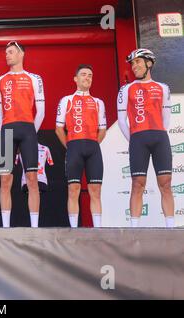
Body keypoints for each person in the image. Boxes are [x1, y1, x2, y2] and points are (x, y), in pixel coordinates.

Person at [117, 48, 174, 228]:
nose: (134, 66)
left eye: (138, 62)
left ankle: (170, 228)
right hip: (138, 139)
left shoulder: (163, 88)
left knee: (165, 184)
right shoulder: (126, 89)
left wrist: (158, 133)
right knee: (137, 184)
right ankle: (135, 229)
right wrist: (134, 139)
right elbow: (121, 120)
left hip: (160, 137)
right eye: (132, 63)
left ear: (149, 63)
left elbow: (166, 117)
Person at [0, 41, 45, 227]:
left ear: (21, 54)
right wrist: (5, 131)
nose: (7, 55)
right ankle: (5, 227)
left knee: (32, 179)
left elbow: (41, 111)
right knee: (4, 179)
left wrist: (31, 131)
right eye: (6, 52)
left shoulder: (35, 78)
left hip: (28, 130)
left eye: (11, 52)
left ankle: (34, 226)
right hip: (7, 129)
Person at [55, 64, 107, 228]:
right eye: (83, 74)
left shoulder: (98, 102)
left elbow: (103, 129)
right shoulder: (66, 100)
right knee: (74, 189)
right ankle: (74, 229)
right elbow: (58, 129)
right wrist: (70, 146)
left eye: (90, 75)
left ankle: (98, 229)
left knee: (95, 191)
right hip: (74, 148)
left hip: (93, 148)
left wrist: (92, 144)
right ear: (76, 79)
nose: (87, 77)